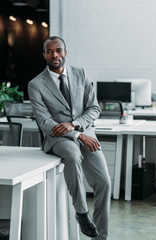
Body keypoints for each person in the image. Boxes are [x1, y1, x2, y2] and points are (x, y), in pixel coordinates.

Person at [28, 36, 111, 240]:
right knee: (73, 156)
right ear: (44, 55)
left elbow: (94, 108)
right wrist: (77, 135)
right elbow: (45, 122)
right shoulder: (36, 84)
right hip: (58, 138)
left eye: (58, 50)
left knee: (104, 182)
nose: (54, 55)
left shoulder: (80, 74)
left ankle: (100, 237)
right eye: (49, 51)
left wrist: (76, 125)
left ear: (65, 52)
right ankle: (82, 213)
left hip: (84, 132)